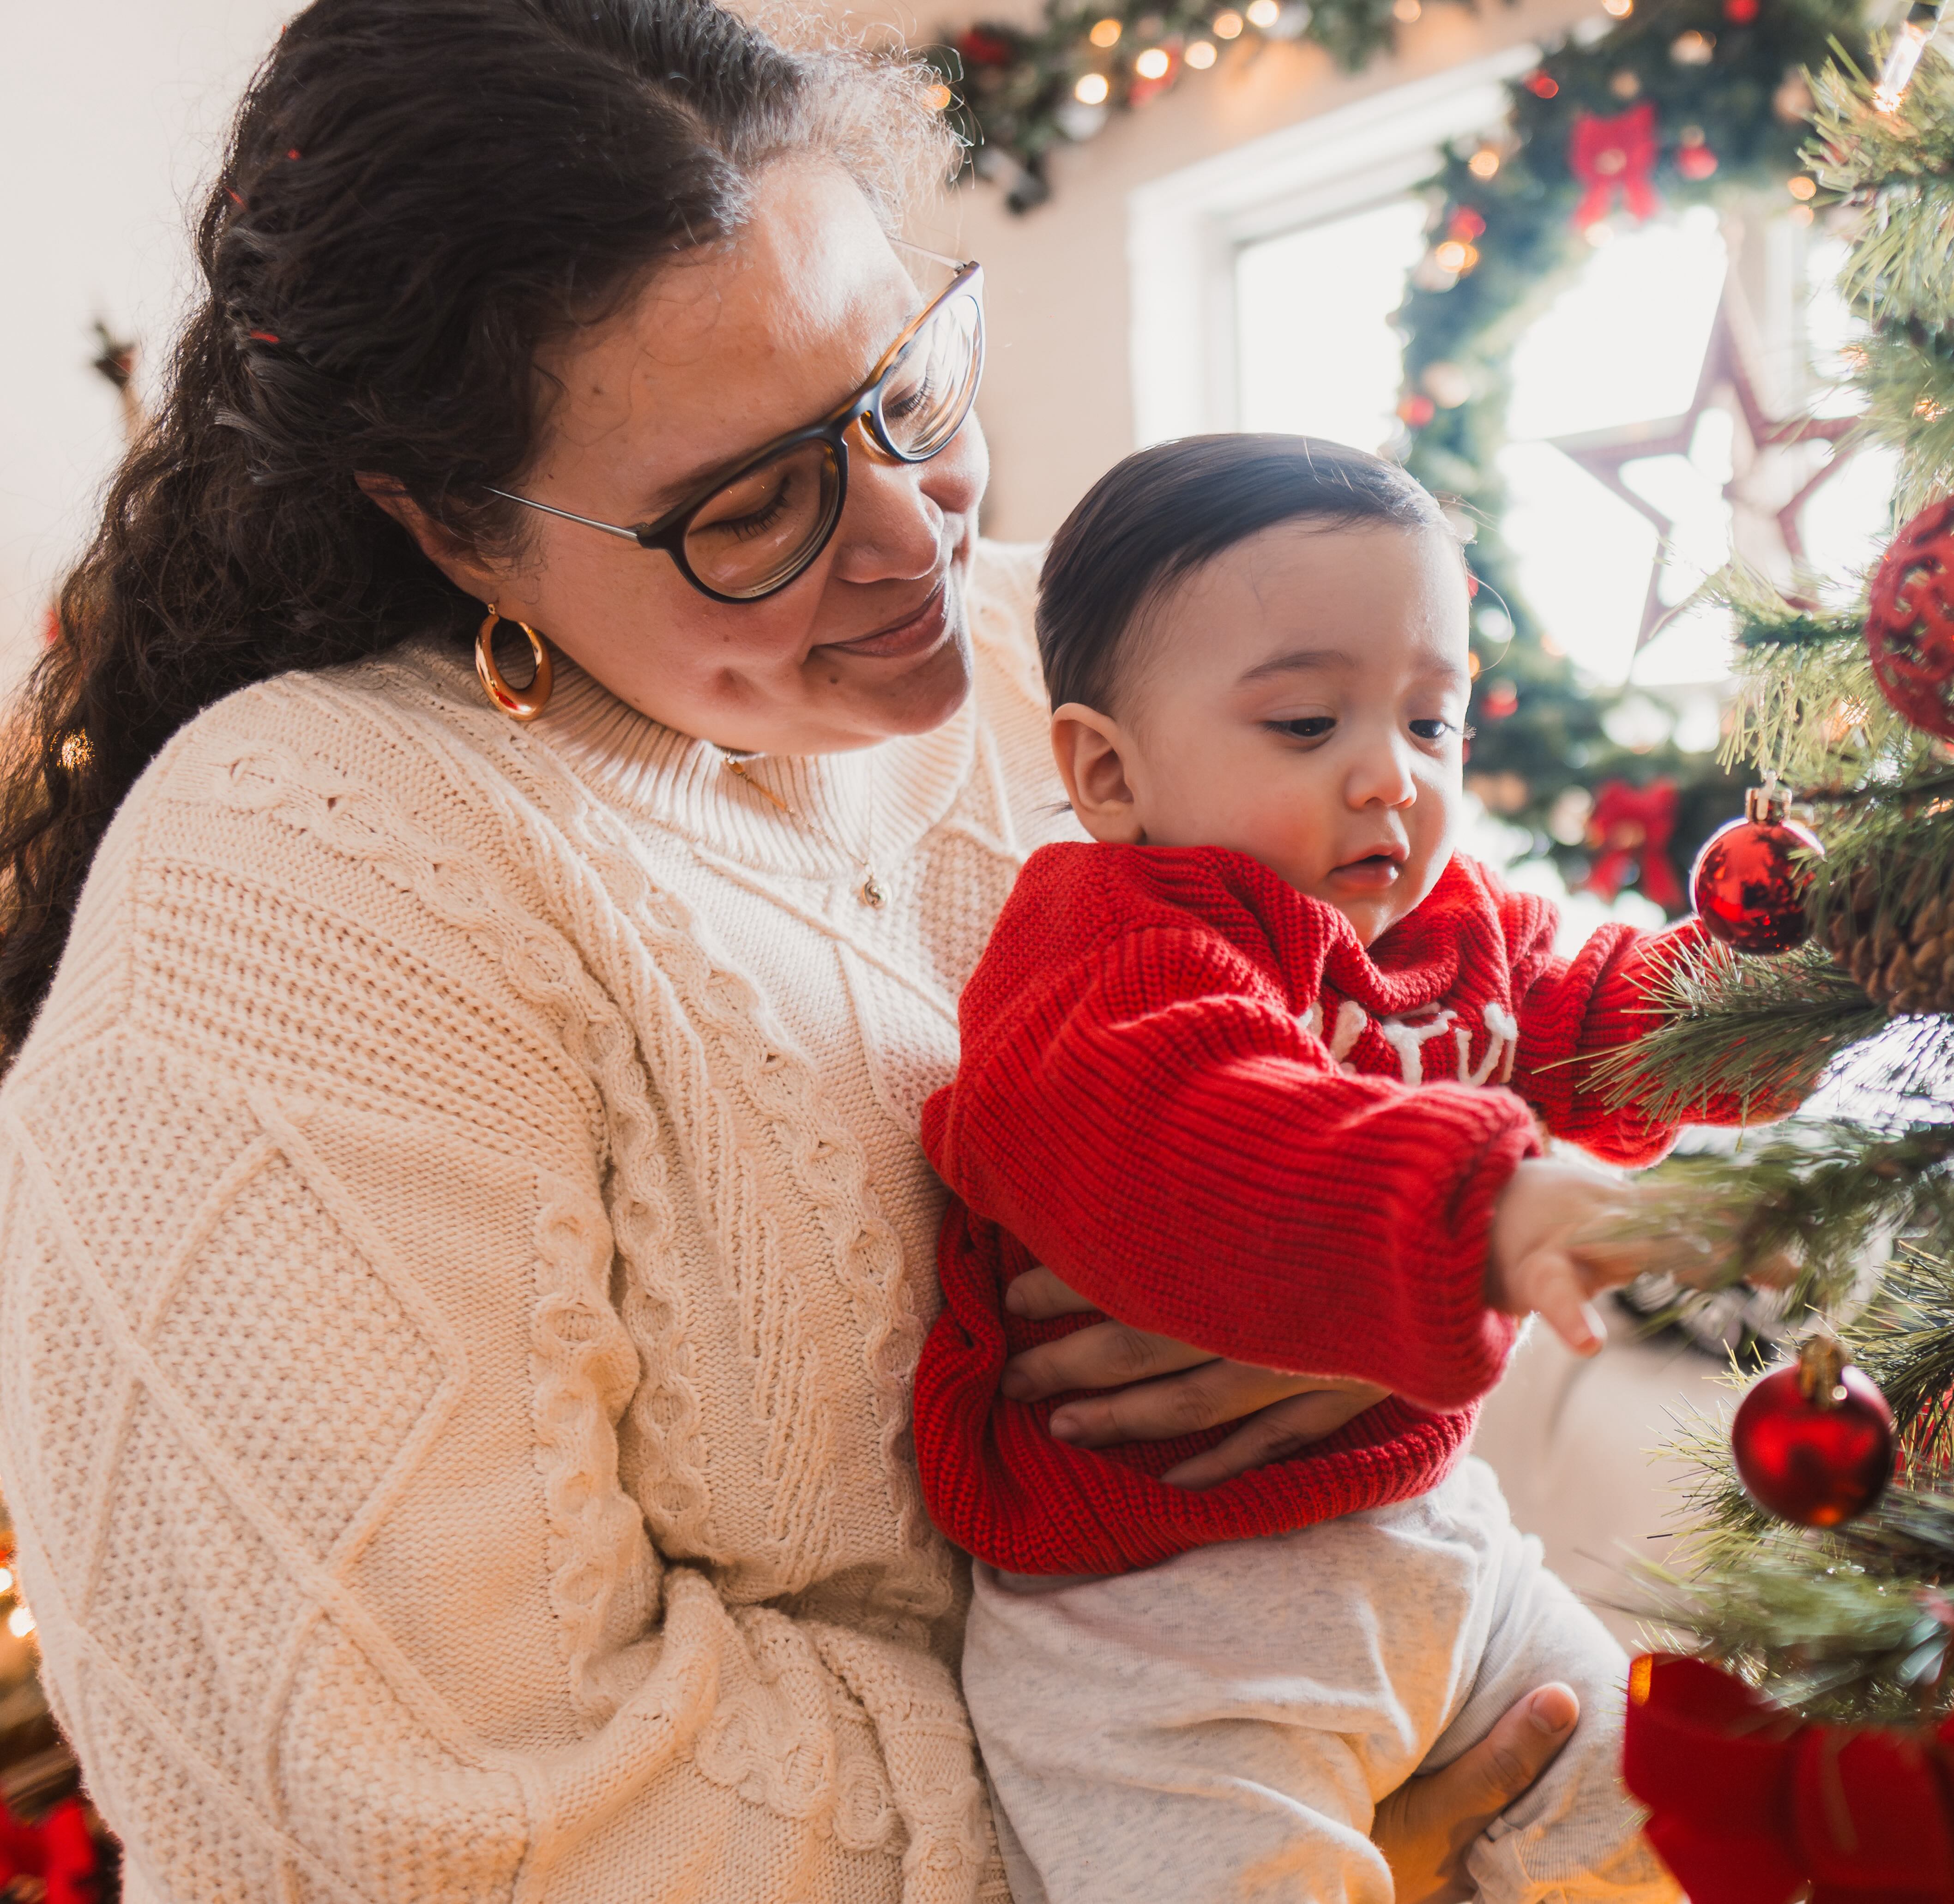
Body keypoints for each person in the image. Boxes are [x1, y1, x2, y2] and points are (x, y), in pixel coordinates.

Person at [0, 2, 1577, 1896]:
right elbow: (435, 1803)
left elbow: (1461, 1016)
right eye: (752, 505)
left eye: (906, 393)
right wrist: (1197, 1802)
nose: (912, 536)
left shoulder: (1060, 679)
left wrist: (1388, 1297)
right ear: (455, 526)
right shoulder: (297, 883)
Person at [917, 436, 1784, 1903]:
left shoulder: (1454, 929)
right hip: (1169, 1639)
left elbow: (1608, 1014)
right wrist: (1488, 1202)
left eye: (1432, 721)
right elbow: (1200, 1136)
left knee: (1682, 1835)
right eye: (1308, 721)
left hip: (1448, 1560)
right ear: (1109, 770)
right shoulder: (1107, 953)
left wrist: (1791, 987)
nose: (1390, 775)